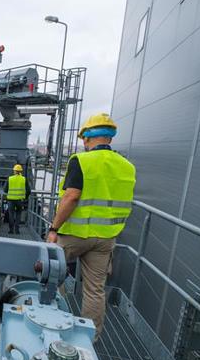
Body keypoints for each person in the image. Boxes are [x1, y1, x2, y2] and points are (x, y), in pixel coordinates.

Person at [46, 113, 136, 341]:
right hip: (105, 238)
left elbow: (71, 196)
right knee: (95, 289)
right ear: (110, 138)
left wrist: (54, 229)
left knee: (52, 274)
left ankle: (57, 324)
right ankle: (90, 337)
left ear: (86, 138)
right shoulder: (127, 166)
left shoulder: (81, 160)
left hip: (74, 234)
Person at [5, 164, 30, 234]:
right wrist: (25, 197)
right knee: (18, 214)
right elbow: (28, 191)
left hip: (11, 200)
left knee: (11, 214)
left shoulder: (10, 178)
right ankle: (17, 230)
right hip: (20, 200)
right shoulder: (24, 179)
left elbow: (5, 190)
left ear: (14, 171)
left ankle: (11, 230)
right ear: (21, 171)